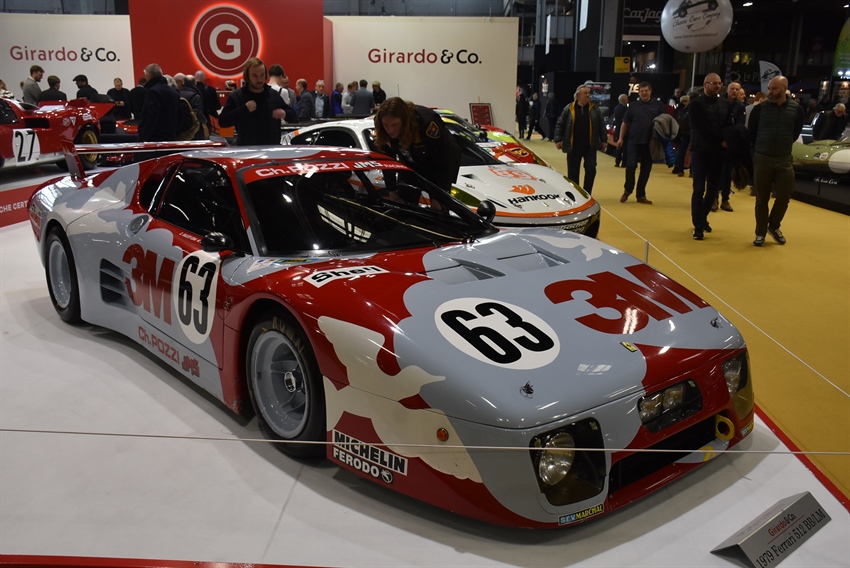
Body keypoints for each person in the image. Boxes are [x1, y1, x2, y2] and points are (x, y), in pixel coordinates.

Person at [748, 75, 805, 246]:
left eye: (774, 88)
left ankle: (773, 226)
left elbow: (795, 133)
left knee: (784, 196)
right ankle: (760, 232)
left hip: (784, 159)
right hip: (762, 157)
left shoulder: (797, 110)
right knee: (761, 199)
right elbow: (752, 133)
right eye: (769, 88)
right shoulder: (760, 109)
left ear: (784, 89)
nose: (770, 92)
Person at [373, 97, 460, 194]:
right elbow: (387, 161)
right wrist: (391, 191)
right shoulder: (381, 124)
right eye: (386, 125)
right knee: (403, 196)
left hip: (437, 164)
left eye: (395, 125)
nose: (390, 130)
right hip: (411, 164)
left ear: (404, 121)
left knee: (438, 200)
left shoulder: (426, 124)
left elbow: (445, 161)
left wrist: (439, 196)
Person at [687, 74, 732, 240]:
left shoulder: (725, 104)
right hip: (700, 150)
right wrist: (721, 140)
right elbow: (701, 127)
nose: (717, 86)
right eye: (714, 83)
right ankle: (698, 225)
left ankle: (702, 217)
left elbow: (728, 125)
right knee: (699, 189)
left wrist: (729, 139)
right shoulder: (696, 104)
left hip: (718, 152)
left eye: (720, 83)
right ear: (705, 84)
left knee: (713, 190)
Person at [219, 58, 296, 145]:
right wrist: (244, 109)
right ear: (248, 76)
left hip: (272, 149)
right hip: (247, 149)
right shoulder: (237, 96)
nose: (259, 80)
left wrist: (284, 113)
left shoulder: (273, 95)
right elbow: (223, 121)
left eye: (262, 75)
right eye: (255, 76)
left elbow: (293, 116)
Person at [616, 81, 665, 204]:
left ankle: (641, 195)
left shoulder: (658, 105)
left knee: (646, 170)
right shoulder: (633, 105)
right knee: (630, 166)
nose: (644, 93)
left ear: (650, 91)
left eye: (646, 91)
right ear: (638, 92)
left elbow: (665, 122)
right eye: (641, 91)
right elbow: (625, 123)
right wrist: (621, 138)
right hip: (633, 141)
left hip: (650, 143)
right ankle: (627, 190)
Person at [553, 85, 606, 194]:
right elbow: (560, 124)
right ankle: (576, 194)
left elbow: (601, 125)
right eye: (585, 93)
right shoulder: (569, 109)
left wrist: (604, 140)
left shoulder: (595, 109)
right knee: (573, 173)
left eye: (589, 93)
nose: (588, 95)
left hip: (590, 147)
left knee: (591, 170)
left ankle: (587, 193)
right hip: (573, 147)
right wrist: (558, 139)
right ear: (578, 95)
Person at [137, 64, 179, 142]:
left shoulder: (152, 92)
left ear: (148, 76)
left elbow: (152, 116)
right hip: (171, 136)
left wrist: (144, 136)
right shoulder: (174, 93)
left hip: (155, 138)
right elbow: (180, 115)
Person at [181, 75, 209, 139]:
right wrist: (204, 121)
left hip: (182, 127)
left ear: (183, 83)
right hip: (194, 129)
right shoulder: (196, 96)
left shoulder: (178, 94)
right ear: (194, 84)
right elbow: (198, 112)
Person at [671, 94, 690, 176]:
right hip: (687, 132)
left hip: (680, 132)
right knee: (687, 151)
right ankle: (691, 171)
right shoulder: (688, 109)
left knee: (680, 151)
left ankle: (678, 168)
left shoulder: (677, 110)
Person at [611, 94, 628, 167]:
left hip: (617, 129)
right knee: (625, 147)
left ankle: (617, 162)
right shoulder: (625, 109)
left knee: (618, 146)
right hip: (625, 130)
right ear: (624, 100)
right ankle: (624, 163)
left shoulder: (616, 108)